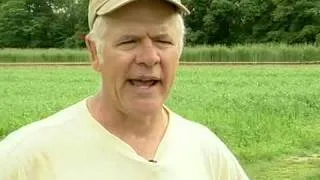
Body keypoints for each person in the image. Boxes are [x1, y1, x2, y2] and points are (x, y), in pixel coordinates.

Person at [0, 0, 249, 179]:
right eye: (129, 41)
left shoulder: (206, 150)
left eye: (163, 41)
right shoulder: (26, 158)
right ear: (95, 52)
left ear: (180, 51)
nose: (149, 57)